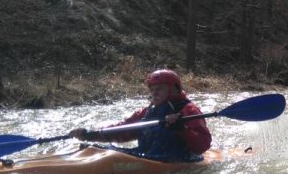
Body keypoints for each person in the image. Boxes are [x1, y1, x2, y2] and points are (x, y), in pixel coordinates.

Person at [69, 69, 212, 162]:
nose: (154, 93)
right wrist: (89, 135)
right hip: (147, 157)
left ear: (174, 89)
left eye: (160, 89)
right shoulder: (146, 112)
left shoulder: (189, 110)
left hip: (178, 159)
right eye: (153, 89)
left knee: (108, 155)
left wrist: (181, 128)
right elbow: (122, 131)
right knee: (92, 148)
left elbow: (202, 146)